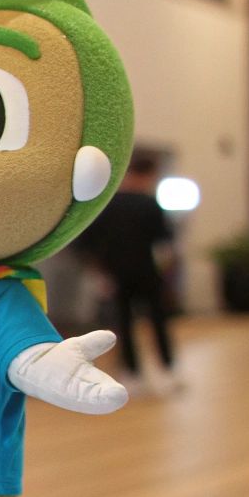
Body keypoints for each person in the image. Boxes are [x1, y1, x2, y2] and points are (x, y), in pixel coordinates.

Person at [77, 152, 178, 391]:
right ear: (149, 175)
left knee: (123, 323)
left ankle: (132, 373)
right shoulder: (150, 204)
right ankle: (167, 369)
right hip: (147, 271)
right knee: (157, 320)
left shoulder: (107, 205)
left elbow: (86, 242)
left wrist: (100, 273)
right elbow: (165, 245)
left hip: (115, 274)